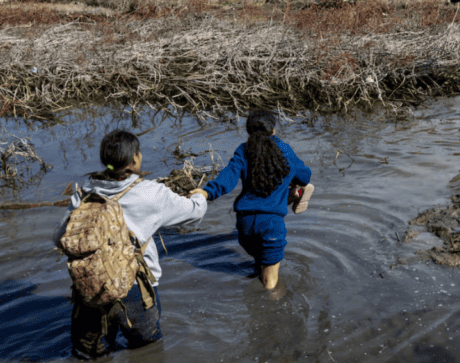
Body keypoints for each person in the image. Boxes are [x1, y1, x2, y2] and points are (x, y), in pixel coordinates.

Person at [53, 130, 208, 359]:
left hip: (91, 289)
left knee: (90, 356)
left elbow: (60, 238)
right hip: (136, 290)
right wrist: (201, 196)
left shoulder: (83, 193)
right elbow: (194, 214)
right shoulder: (150, 193)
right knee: (148, 351)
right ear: (135, 160)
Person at [190, 110, 312, 290]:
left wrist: (207, 192)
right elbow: (305, 176)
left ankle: (254, 310)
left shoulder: (244, 150)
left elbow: (228, 178)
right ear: (273, 130)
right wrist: (291, 179)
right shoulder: (284, 150)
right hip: (271, 224)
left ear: (249, 131)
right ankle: (269, 314)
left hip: (245, 224)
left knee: (258, 267)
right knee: (270, 284)